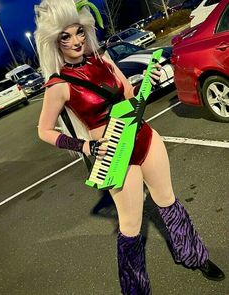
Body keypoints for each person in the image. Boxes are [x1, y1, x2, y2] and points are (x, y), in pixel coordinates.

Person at [34, 0, 225, 294]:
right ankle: (135, 289)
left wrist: (148, 83)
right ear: (54, 41)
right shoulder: (57, 85)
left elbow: (127, 92)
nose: (76, 41)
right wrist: (83, 145)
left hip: (144, 137)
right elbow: (44, 131)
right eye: (66, 36)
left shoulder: (103, 58)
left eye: (79, 32)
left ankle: (193, 254)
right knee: (131, 228)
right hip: (113, 155)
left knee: (168, 202)